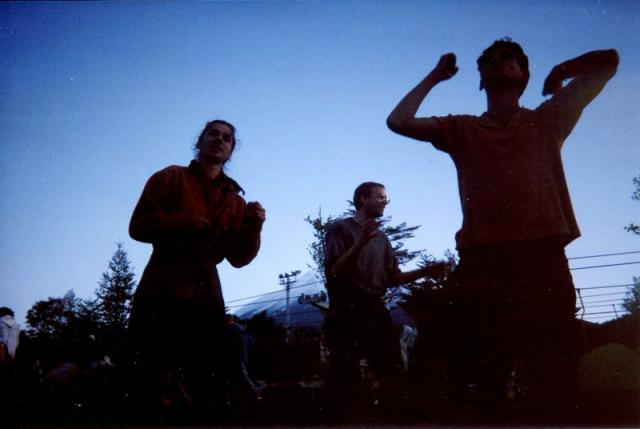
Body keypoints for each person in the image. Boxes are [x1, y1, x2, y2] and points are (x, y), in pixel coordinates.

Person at [387, 39, 619, 423]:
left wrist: (562, 70)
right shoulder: (462, 128)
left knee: (552, 374)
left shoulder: (548, 119)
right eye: (487, 61)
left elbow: (609, 61)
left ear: (524, 75)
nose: (495, 62)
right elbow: (398, 121)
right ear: (480, 79)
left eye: (506, 58)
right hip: (482, 263)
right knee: (473, 376)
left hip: (541, 260)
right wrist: (435, 76)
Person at [127, 119, 265, 419]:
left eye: (226, 137)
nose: (219, 139)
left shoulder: (235, 201)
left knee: (205, 380)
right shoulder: (171, 177)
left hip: (206, 293)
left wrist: (254, 226)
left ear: (231, 150)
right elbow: (137, 226)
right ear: (199, 141)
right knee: (150, 378)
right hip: (162, 283)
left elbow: (239, 258)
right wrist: (183, 223)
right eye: (213, 134)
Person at [323, 181, 448, 420]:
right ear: (363, 198)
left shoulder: (381, 238)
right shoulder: (340, 228)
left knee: (391, 369)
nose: (385, 202)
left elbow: (393, 278)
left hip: (374, 307)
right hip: (346, 308)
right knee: (345, 375)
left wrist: (426, 271)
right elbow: (335, 270)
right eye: (380, 197)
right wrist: (360, 243)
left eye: (386, 198)